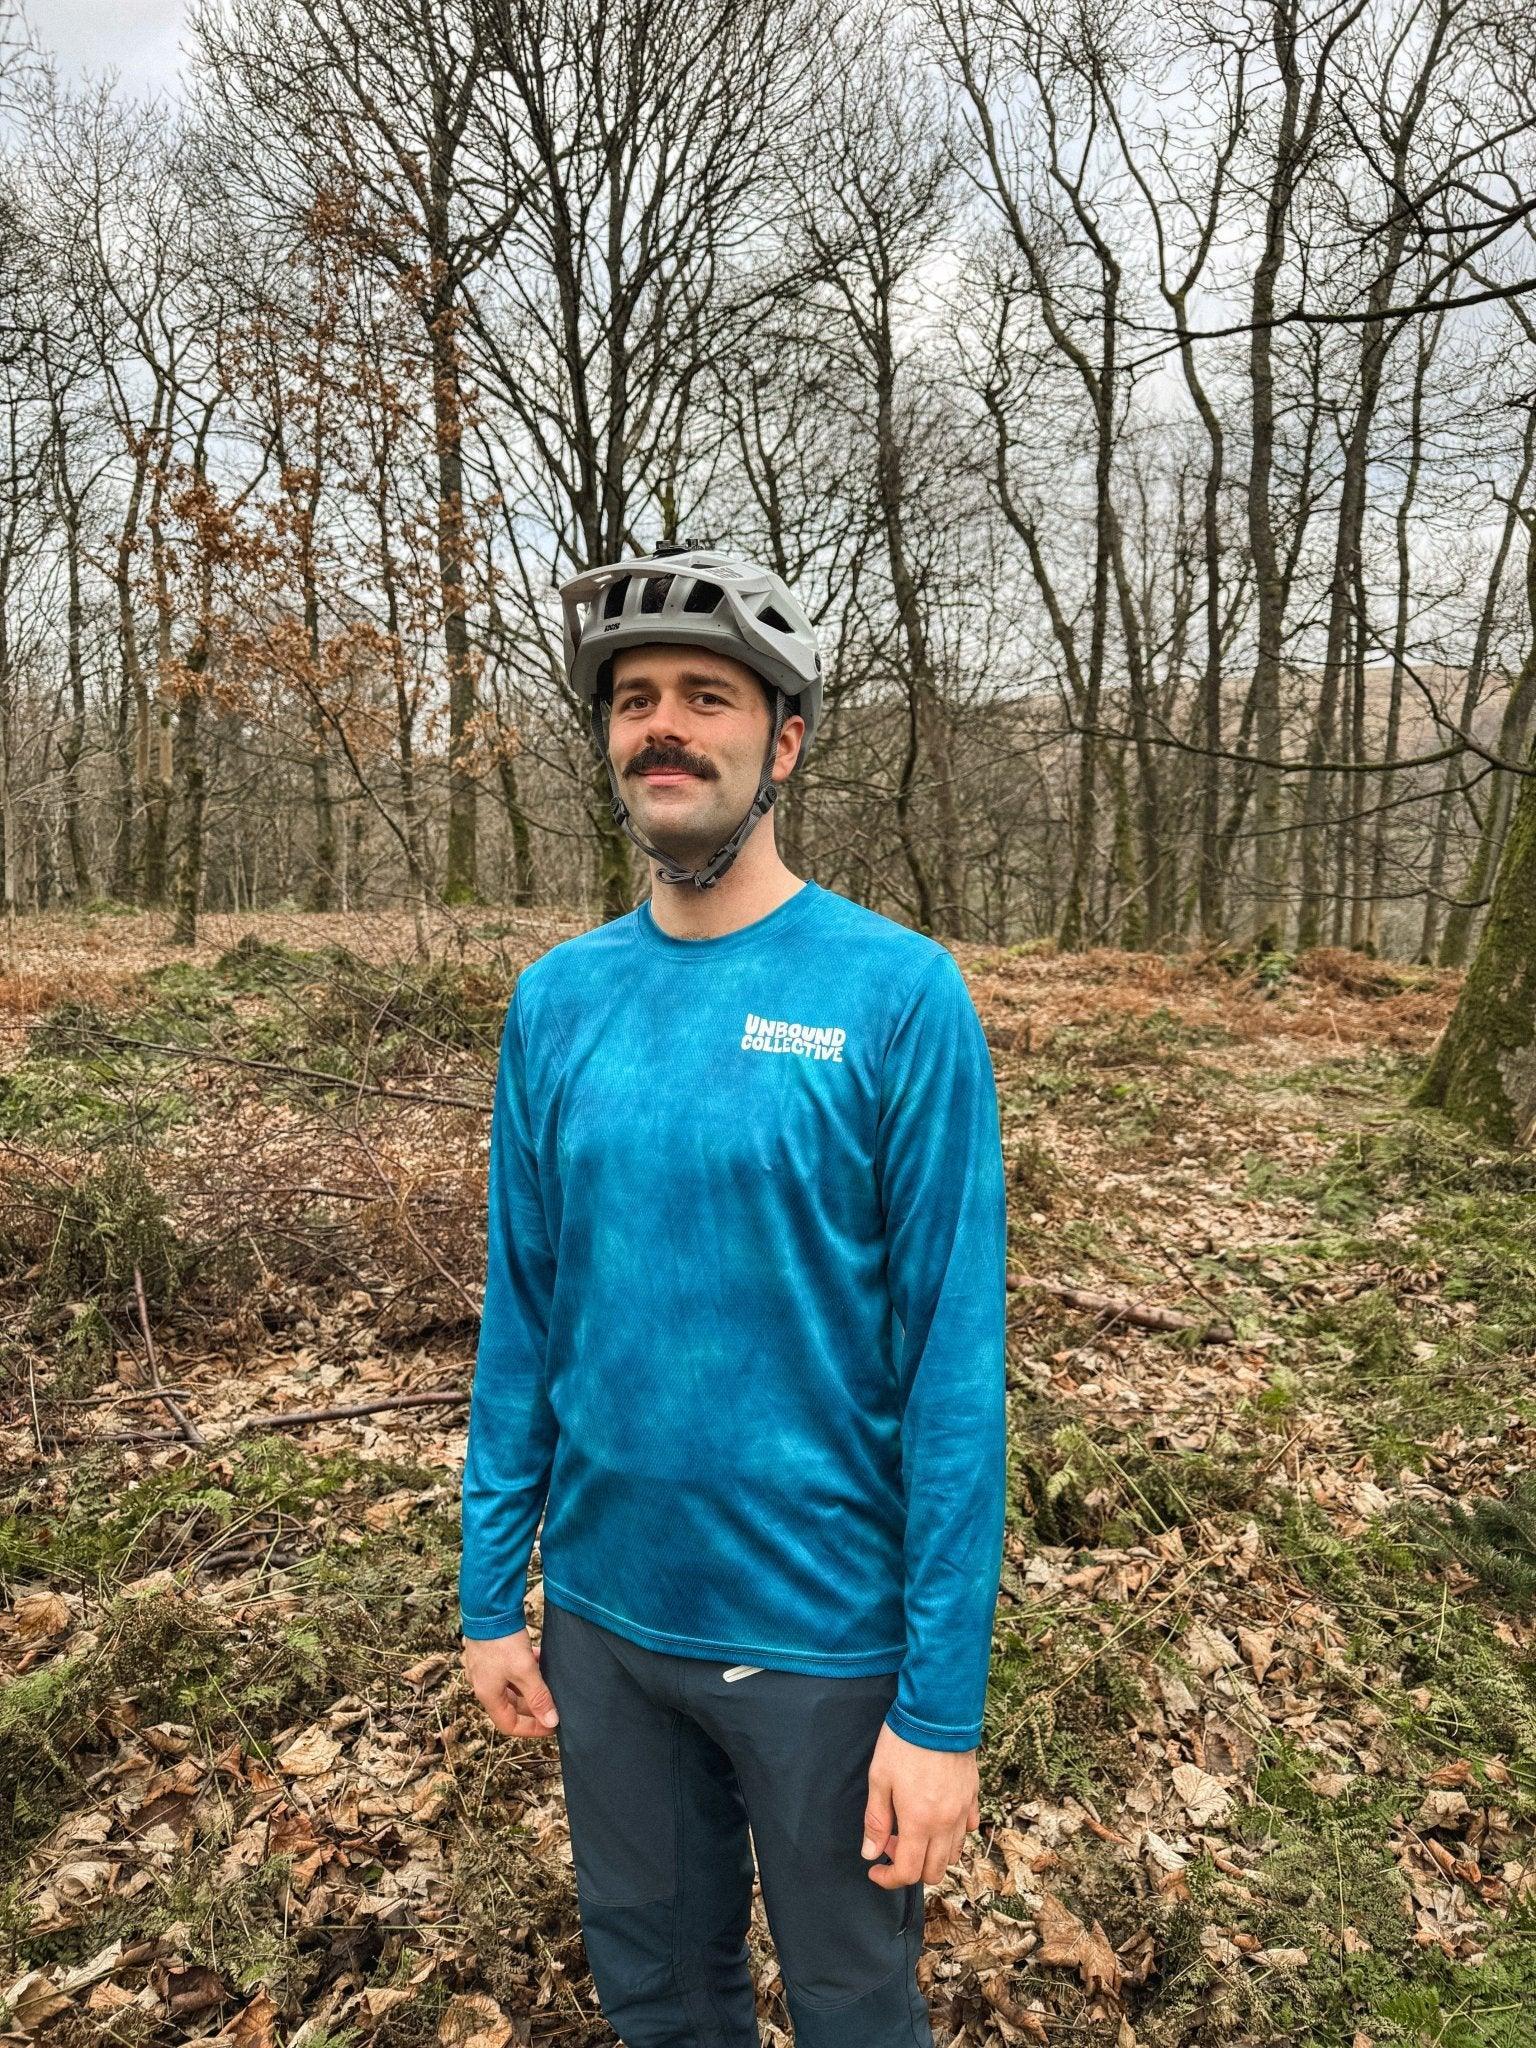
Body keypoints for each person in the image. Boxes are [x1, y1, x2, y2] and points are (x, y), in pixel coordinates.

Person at [458, 545, 1008, 2047]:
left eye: (709, 695)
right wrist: (488, 1585)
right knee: (656, 1997)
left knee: (849, 2005)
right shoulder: (557, 999)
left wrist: (939, 1712)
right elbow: (525, 1311)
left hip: (825, 1648)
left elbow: (957, 1378)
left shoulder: (898, 995)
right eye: (636, 699)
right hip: (606, 1629)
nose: (666, 727)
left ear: (786, 738)